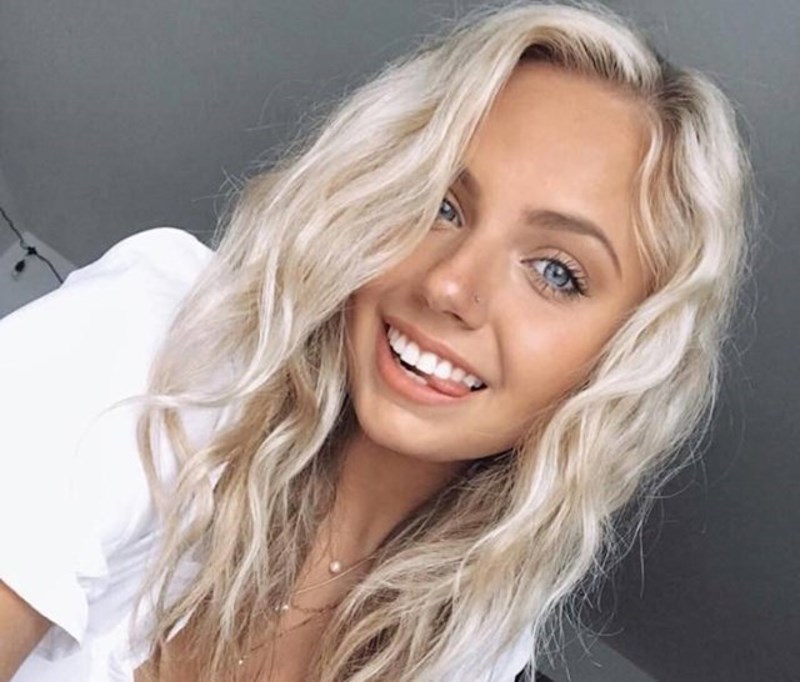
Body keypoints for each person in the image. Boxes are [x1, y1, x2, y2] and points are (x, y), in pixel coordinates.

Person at [0, 2, 750, 681]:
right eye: (441, 205)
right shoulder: (171, 339)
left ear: (623, 357)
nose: (449, 284)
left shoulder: (480, 646)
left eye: (556, 272)